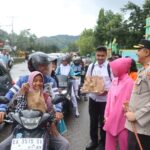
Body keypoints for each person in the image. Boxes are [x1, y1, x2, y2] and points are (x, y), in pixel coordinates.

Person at [0, 52, 70, 150]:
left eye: (46, 65)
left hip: (44, 123)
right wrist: (2, 109)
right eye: (44, 65)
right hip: (22, 123)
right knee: (3, 146)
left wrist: (58, 111)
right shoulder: (22, 81)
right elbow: (9, 95)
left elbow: (56, 98)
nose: (47, 68)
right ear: (35, 67)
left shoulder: (50, 81)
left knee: (64, 144)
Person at [103, 58, 134, 150]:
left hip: (122, 120)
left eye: (114, 68)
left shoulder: (129, 83)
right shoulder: (114, 80)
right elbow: (109, 100)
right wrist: (106, 116)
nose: (112, 70)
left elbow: (123, 105)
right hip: (110, 118)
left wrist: (111, 119)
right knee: (109, 146)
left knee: (123, 145)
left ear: (121, 68)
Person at [125, 39, 150, 150]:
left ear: (147, 52)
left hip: (142, 128)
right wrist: (129, 104)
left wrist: (137, 115)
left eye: (139, 49)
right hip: (136, 126)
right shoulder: (142, 70)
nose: (136, 52)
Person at [85, 46, 112, 150]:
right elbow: (87, 80)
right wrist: (90, 88)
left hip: (105, 101)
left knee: (104, 122)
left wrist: (106, 91)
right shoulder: (91, 66)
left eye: (102, 55)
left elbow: (115, 83)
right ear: (95, 55)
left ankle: (103, 143)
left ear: (106, 55)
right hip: (93, 99)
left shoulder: (110, 67)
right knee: (93, 120)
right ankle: (94, 141)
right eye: (98, 55)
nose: (100, 58)